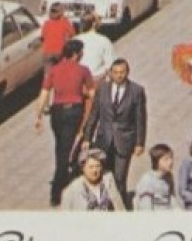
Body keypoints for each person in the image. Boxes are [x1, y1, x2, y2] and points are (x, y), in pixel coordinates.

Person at [35, 39, 94, 207]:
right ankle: (57, 190)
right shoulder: (83, 70)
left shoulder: (53, 70)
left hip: (57, 113)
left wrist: (38, 116)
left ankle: (63, 176)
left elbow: (44, 93)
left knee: (60, 146)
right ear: (75, 54)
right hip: (73, 112)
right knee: (65, 152)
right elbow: (92, 93)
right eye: (81, 52)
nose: (82, 55)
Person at [82, 58, 147, 205]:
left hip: (124, 141)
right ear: (111, 73)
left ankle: (120, 206)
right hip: (104, 140)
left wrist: (139, 143)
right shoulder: (103, 89)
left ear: (127, 72)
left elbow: (140, 119)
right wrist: (87, 137)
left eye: (122, 72)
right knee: (101, 175)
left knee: (119, 177)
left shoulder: (136, 91)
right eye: (115, 72)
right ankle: (102, 204)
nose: (119, 75)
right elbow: (94, 114)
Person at [60, 149, 126, 212]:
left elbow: (119, 207)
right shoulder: (71, 191)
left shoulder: (108, 180)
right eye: (91, 167)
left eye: (98, 166)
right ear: (83, 168)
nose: (94, 171)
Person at [132, 144, 177, 211]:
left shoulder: (169, 177)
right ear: (157, 162)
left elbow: (173, 200)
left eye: (171, 158)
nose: (171, 162)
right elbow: (146, 207)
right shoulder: (148, 180)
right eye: (166, 159)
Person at [74, 12, 117, 79]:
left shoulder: (74, 40)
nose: (101, 21)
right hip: (96, 79)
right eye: (99, 19)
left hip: (78, 79)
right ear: (94, 24)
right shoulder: (104, 40)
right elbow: (110, 64)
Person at [39, 2, 75, 71]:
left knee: (48, 74)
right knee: (60, 72)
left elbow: (43, 36)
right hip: (60, 51)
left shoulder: (47, 23)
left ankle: (48, 81)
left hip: (47, 51)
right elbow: (72, 33)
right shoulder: (64, 22)